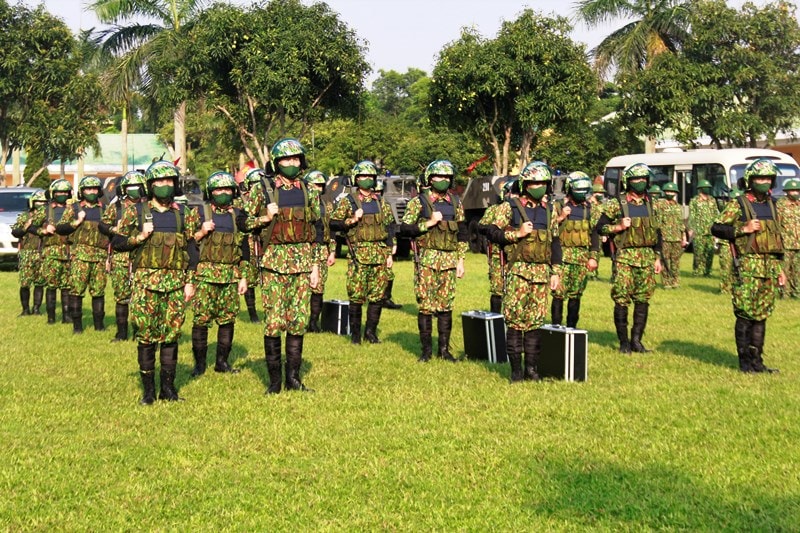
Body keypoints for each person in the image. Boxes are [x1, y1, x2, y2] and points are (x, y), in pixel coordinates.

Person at [116, 160, 200, 403]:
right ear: (150, 185)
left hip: (175, 285)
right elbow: (118, 243)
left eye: (169, 181)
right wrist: (139, 237)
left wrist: (190, 282)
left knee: (171, 336)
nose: (164, 185)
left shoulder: (184, 214)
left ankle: (168, 389)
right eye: (159, 181)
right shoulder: (136, 212)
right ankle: (149, 392)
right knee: (146, 337)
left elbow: (192, 250)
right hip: (145, 285)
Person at [249, 138, 319, 393]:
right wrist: (264, 217)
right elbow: (244, 221)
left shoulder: (309, 190)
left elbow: (315, 229)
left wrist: (315, 266)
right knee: (274, 322)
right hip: (273, 264)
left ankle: (293, 378)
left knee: (298, 321)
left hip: (302, 262)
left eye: (295, 159)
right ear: (276, 163)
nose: (291, 163)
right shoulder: (263, 189)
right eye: (286, 159)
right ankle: (275, 381)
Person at [486, 161, 561, 382]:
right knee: (515, 322)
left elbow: (555, 243)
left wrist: (555, 272)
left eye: (541, 183)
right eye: (533, 182)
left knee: (535, 323)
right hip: (517, 271)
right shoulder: (509, 207)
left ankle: (532, 369)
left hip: (541, 274)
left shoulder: (550, 211)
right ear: (524, 184)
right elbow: (491, 232)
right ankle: (516, 371)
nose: (537, 186)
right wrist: (516, 234)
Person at [711, 158, 786, 373]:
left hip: (770, 266)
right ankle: (744, 363)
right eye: (759, 178)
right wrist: (741, 229)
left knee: (761, 315)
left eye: (767, 178)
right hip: (747, 266)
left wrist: (780, 269)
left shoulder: (774, 205)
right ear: (750, 180)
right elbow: (716, 228)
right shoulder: (739, 204)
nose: (763, 181)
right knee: (745, 314)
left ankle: (758, 362)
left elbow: (777, 239)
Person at [400, 160, 467, 362]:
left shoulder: (456, 203)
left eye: (447, 177)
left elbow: (462, 233)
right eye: (439, 177)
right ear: (430, 179)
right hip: (426, 261)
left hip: (448, 261)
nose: (443, 181)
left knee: (446, 306)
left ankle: (444, 350)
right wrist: (429, 223)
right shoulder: (418, 202)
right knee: (426, 306)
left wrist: (461, 260)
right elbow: (405, 229)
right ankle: (426, 351)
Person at [596, 163, 663, 354]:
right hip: (625, 257)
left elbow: (658, 233)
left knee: (643, 300)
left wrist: (657, 257)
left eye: (643, 179)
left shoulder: (652, 204)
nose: (640, 182)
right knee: (622, 299)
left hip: (647, 258)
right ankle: (623, 342)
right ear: (628, 181)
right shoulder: (617, 203)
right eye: (636, 179)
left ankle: (637, 340)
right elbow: (600, 227)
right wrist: (617, 227)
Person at [189, 171, 250, 376]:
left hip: (230, 276)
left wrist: (243, 277)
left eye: (226, 189)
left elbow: (245, 249)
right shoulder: (198, 213)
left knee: (228, 320)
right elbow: (186, 243)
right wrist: (201, 232)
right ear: (210, 192)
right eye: (218, 189)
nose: (222, 193)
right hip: (205, 276)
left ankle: (222, 363)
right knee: (201, 320)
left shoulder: (239, 215)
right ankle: (199, 365)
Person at [330, 161, 394, 344]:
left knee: (377, 296)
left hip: (379, 254)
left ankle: (371, 333)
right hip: (358, 255)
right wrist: (351, 220)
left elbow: (389, 227)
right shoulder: (348, 201)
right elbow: (333, 223)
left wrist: (390, 253)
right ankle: (356, 335)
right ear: (356, 179)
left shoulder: (381, 202)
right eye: (363, 176)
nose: (367, 180)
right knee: (356, 296)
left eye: (370, 177)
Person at [56, 176, 109, 333]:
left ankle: (99, 326)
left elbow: (111, 233)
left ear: (99, 191)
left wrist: (109, 257)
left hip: (99, 257)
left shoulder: (105, 210)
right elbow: (61, 228)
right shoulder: (74, 209)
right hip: (80, 257)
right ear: (82, 191)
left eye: (94, 189)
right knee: (76, 291)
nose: (91, 192)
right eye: (88, 189)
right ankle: (77, 326)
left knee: (99, 291)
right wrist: (76, 222)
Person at [99, 171, 147, 341]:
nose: (134, 190)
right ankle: (121, 333)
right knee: (121, 297)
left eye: (138, 187)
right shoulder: (116, 208)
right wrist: (114, 229)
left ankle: (139, 333)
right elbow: (103, 226)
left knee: (140, 297)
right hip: (121, 257)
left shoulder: (148, 208)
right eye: (130, 187)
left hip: (141, 257)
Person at [550, 171, 600, 328]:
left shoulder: (590, 210)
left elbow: (594, 235)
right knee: (558, 295)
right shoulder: (557, 206)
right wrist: (561, 217)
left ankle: (572, 329)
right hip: (561, 258)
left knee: (576, 296)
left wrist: (593, 257)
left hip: (580, 259)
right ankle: (556, 328)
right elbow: (548, 231)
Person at [28, 179, 74, 325]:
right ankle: (51, 317)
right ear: (53, 193)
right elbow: (30, 227)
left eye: (65, 192)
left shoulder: (73, 209)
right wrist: (43, 230)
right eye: (59, 192)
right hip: (50, 253)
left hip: (69, 252)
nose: (62, 194)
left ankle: (67, 316)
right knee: (51, 286)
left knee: (67, 286)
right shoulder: (45, 210)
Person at [304, 170, 336, 332]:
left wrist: (332, 250)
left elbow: (331, 228)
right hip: (303, 248)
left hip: (322, 248)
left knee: (319, 288)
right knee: (302, 287)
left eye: (321, 185)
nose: (318, 188)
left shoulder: (327, 204)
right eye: (315, 185)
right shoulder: (303, 203)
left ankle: (313, 322)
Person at [237, 167, 269, 323]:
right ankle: (252, 313)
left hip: (265, 240)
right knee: (249, 278)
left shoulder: (268, 197)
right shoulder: (241, 202)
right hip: (248, 241)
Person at [478, 179, 516, 313]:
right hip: (497, 254)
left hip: (516, 255)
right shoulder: (494, 209)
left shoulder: (522, 210)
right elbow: (481, 226)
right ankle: (496, 318)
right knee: (497, 287)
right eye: (510, 193)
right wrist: (495, 228)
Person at [11, 191, 47, 316]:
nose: (41, 204)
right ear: (32, 202)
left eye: (44, 202)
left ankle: (36, 308)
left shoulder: (48, 217)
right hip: (26, 253)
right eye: (39, 201)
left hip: (42, 252)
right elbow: (15, 232)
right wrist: (26, 227)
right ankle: (25, 309)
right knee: (25, 283)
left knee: (40, 282)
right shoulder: (24, 216)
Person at [375, 178, 402, 310]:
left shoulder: (385, 206)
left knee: (389, 273)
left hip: (384, 244)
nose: (377, 194)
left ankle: (385, 298)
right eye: (375, 191)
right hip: (368, 245)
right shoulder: (364, 205)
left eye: (379, 192)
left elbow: (391, 227)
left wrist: (393, 244)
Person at [655, 182, 688, 289]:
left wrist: (683, 237)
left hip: (676, 238)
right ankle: (666, 282)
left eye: (672, 191)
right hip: (665, 237)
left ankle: (675, 281)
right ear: (664, 192)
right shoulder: (660, 205)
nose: (670, 193)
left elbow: (681, 223)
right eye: (668, 191)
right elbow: (658, 222)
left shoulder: (678, 207)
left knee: (676, 261)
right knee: (665, 260)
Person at [688, 179, 719, 276]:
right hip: (699, 232)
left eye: (709, 188)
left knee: (709, 253)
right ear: (700, 189)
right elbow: (692, 216)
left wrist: (717, 231)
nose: (707, 189)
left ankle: (707, 271)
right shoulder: (694, 201)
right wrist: (691, 228)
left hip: (710, 232)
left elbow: (716, 215)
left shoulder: (712, 200)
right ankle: (697, 271)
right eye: (705, 187)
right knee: (698, 253)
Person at [777, 179, 800, 299]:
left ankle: (797, 293)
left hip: (798, 244)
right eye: (793, 190)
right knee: (785, 270)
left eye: (797, 190)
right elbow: (777, 225)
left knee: (797, 270)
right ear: (787, 191)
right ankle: (784, 294)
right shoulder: (781, 205)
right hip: (785, 243)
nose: (795, 192)